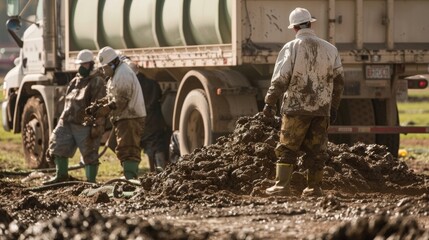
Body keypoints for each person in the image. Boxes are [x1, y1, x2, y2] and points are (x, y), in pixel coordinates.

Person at [262, 7, 344, 197]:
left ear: (294, 27)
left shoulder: (291, 47)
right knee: (317, 150)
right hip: (322, 109)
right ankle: (314, 188)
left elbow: (281, 79)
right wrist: (334, 106)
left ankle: (282, 186)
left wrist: (269, 102)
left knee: (287, 147)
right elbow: (339, 81)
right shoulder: (330, 49)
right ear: (310, 23)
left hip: (296, 108)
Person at [43, 49, 107, 184]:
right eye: (80, 64)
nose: (81, 67)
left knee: (89, 152)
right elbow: (68, 102)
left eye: (84, 64)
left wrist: (97, 125)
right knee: (58, 146)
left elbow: (100, 106)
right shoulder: (75, 81)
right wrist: (61, 121)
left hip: (84, 124)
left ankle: (91, 181)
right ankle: (61, 175)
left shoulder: (97, 82)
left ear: (91, 64)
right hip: (67, 121)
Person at [96, 46, 146, 179]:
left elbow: (121, 100)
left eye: (104, 67)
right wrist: (100, 104)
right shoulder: (115, 74)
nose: (103, 70)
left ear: (112, 64)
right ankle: (129, 175)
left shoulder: (122, 74)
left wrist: (105, 109)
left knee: (128, 149)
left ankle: (131, 178)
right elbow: (113, 96)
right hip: (124, 117)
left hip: (130, 117)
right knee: (118, 146)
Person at [122, 58, 170, 172]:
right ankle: (161, 171)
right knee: (157, 146)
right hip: (155, 121)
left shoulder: (130, 86)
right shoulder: (152, 83)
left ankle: (149, 172)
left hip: (139, 122)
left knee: (142, 149)